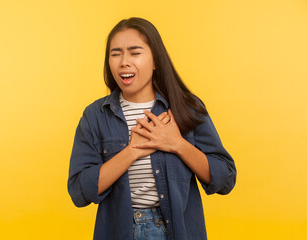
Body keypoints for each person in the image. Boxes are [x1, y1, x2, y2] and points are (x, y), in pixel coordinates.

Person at [68, 17, 236, 240]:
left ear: (155, 60)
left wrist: (177, 144)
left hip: (176, 232)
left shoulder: (186, 108)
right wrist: (132, 151)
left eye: (135, 52)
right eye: (115, 53)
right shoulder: (95, 116)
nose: (124, 61)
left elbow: (225, 178)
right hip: (121, 231)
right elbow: (80, 192)